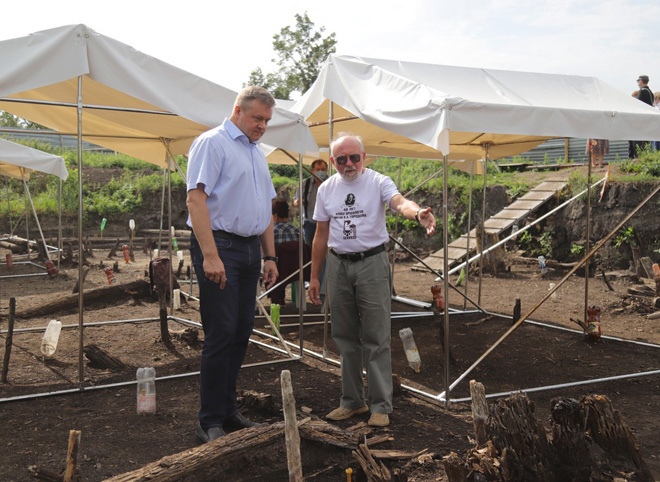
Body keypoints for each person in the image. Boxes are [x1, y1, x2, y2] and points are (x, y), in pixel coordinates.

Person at [308, 133, 436, 428]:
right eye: (342, 159)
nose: (349, 163)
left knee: (377, 335)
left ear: (364, 157)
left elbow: (399, 202)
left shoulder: (379, 182)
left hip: (371, 263)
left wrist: (417, 213)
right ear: (333, 162)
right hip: (339, 264)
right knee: (344, 335)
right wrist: (315, 276)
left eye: (354, 157)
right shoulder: (326, 189)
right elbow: (320, 235)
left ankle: (381, 404)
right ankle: (352, 401)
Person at [186, 86, 279, 443]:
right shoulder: (213, 143)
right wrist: (210, 255)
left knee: (242, 331)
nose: (262, 126)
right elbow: (196, 201)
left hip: (249, 249)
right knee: (221, 332)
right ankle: (208, 419)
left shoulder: (256, 153)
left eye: (267, 121)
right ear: (238, 110)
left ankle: (227, 411)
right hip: (220, 244)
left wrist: (269, 255)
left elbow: (267, 209)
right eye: (257, 118)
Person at [293, 159, 328, 247]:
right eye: (318, 169)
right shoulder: (305, 184)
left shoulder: (332, 183)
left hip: (329, 224)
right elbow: (295, 201)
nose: (321, 172)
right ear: (312, 170)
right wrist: (298, 202)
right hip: (310, 224)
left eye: (323, 169)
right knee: (310, 249)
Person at [629, 76, 654, 158]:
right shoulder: (650, 92)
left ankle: (638, 157)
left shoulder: (643, 91)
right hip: (648, 119)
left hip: (641, 120)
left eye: (638, 80)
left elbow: (638, 106)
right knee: (646, 140)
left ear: (642, 81)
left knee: (638, 141)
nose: (638, 82)